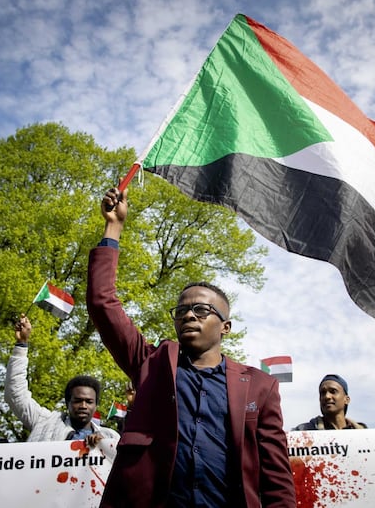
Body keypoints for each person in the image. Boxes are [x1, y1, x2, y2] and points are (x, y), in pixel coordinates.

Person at [86, 186, 296, 508]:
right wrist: (113, 227)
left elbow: (277, 479)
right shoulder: (151, 364)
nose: (189, 315)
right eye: (182, 310)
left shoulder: (260, 387)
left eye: (201, 310)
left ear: (225, 327)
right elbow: (103, 304)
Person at [4, 314, 119, 449]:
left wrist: (104, 447)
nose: (83, 405)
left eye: (89, 401)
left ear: (96, 405)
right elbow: (16, 394)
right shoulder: (45, 423)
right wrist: (21, 344)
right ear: (67, 402)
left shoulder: (111, 437)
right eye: (77, 400)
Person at [292, 374, 367, 430]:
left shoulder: (365, 435)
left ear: (346, 399)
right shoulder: (303, 432)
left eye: (333, 391)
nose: (327, 396)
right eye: (323, 393)